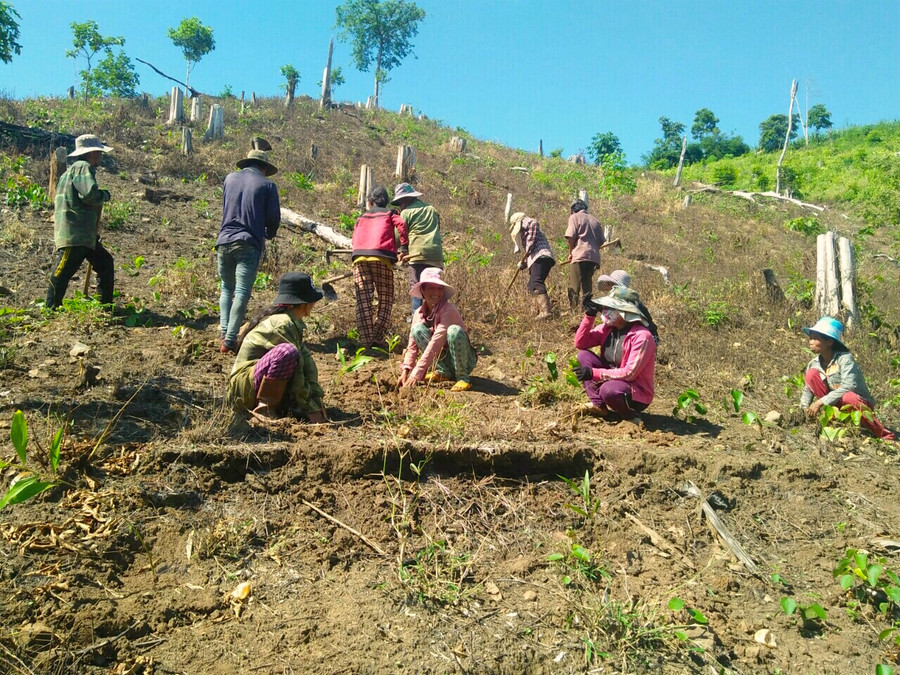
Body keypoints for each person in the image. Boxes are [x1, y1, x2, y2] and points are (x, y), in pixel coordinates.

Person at [227, 273, 326, 424]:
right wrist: (309, 407)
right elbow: (298, 371)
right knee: (286, 352)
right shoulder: (282, 324)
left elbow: (307, 366)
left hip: (251, 384)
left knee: (294, 354)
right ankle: (264, 410)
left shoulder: (291, 322)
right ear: (305, 303)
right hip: (242, 391)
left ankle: (282, 407)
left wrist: (316, 401)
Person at [216, 149, 281, 354]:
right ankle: (229, 340)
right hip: (248, 242)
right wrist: (270, 233)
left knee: (226, 287)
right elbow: (273, 218)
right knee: (242, 292)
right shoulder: (267, 185)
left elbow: (226, 206)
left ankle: (225, 331)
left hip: (224, 240)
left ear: (246, 164)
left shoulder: (229, 179)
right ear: (263, 168)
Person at [45, 134, 114, 309]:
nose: (99, 155)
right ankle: (50, 308)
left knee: (105, 262)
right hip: (75, 234)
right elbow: (90, 194)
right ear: (89, 153)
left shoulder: (71, 172)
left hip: (84, 235)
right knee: (61, 272)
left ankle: (105, 306)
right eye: (97, 152)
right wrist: (104, 195)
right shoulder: (82, 167)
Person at [800, 317, 895, 440]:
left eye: (815, 338)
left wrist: (820, 402)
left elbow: (849, 386)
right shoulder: (814, 364)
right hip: (834, 404)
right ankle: (832, 420)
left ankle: (884, 434)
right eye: (810, 338)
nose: (810, 342)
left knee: (848, 396)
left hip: (856, 402)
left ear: (829, 342)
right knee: (811, 374)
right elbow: (808, 389)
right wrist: (804, 409)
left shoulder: (845, 359)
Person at [573, 286, 656, 418]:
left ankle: (630, 416)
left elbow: (629, 373)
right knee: (584, 355)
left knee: (609, 390)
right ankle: (598, 406)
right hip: (611, 379)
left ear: (624, 313)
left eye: (610, 308)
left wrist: (593, 373)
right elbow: (580, 343)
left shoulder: (642, 337)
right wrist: (589, 316)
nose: (605, 312)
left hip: (634, 391)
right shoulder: (608, 328)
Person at [397, 268, 476, 392]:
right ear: (422, 290)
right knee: (417, 330)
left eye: (439, 288)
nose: (436, 292)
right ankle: (443, 371)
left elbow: (437, 341)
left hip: (464, 360)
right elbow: (412, 346)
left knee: (453, 331)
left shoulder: (449, 310)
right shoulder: (418, 313)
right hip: (444, 359)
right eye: (431, 288)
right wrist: (406, 371)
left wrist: (417, 373)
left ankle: (462, 377)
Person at [351, 185, 409, 349]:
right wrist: (404, 247)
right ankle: (377, 335)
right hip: (381, 258)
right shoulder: (391, 213)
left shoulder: (362, 216)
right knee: (386, 299)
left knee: (363, 300)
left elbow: (354, 236)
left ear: (370, 202)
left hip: (359, 257)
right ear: (386, 201)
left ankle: (365, 341)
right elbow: (402, 226)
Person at [391, 182, 443, 313]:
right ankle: (437, 318)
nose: (400, 206)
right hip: (435, 255)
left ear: (406, 199)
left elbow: (397, 238)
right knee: (434, 288)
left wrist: (393, 251)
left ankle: (417, 319)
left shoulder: (406, 213)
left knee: (416, 287)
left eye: (400, 202)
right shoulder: (432, 209)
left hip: (417, 255)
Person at [509, 212, 555, 319]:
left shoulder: (530, 223)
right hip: (537, 258)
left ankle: (545, 311)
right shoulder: (525, 231)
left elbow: (531, 246)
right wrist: (523, 264)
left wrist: (526, 254)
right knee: (531, 285)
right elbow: (530, 252)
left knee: (536, 282)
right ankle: (537, 311)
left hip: (541, 257)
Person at [597, 270, 660, 344]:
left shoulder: (630, 303)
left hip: (644, 338)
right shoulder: (618, 301)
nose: (610, 287)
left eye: (612, 284)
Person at [564, 199, 605, 309]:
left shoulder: (574, 217)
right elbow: (601, 241)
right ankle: (587, 309)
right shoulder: (595, 221)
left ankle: (573, 309)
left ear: (573, 210)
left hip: (579, 255)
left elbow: (571, 238)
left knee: (575, 283)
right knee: (587, 283)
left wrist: (571, 252)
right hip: (593, 257)